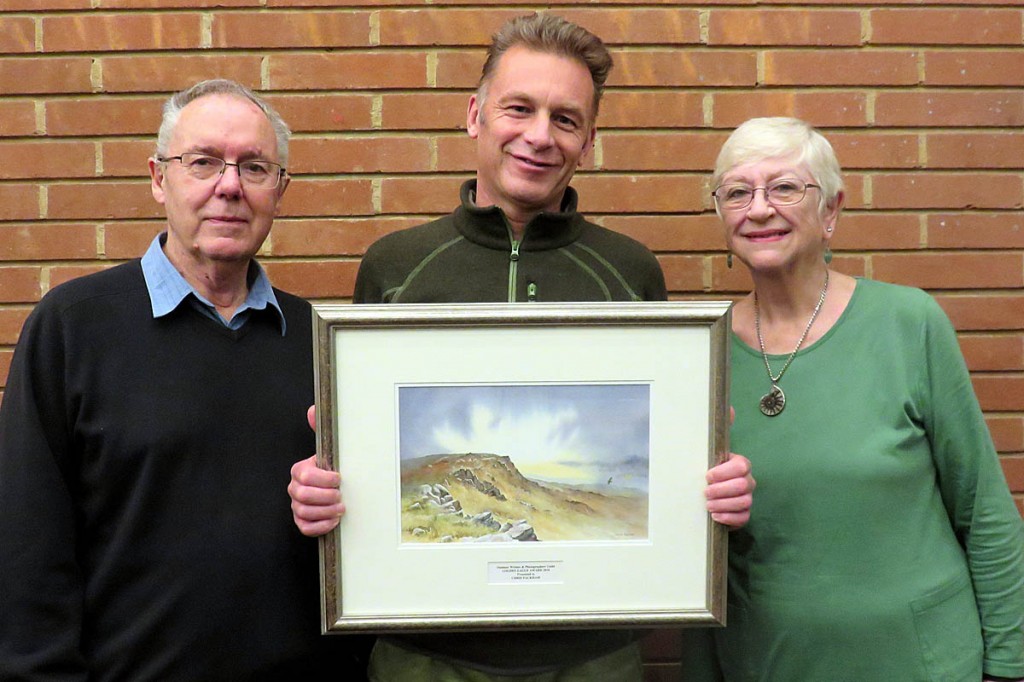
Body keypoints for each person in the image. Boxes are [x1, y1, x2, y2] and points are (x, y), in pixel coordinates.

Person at [289, 13, 755, 681]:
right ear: (475, 114)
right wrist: (329, 487)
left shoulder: (630, 272)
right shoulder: (396, 266)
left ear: (588, 141)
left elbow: (669, 467)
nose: (539, 135)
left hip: (592, 658)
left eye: (566, 119)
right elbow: (366, 448)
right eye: (519, 108)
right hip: (426, 655)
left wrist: (709, 487)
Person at [0, 79, 368, 680]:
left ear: (280, 190)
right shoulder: (72, 328)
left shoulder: (320, 343)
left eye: (254, 167)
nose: (229, 186)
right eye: (202, 162)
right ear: (157, 178)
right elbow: (26, 549)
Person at [677, 116, 1024, 681]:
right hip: (766, 664)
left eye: (785, 187)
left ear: (831, 212)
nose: (759, 208)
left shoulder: (908, 324)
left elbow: (984, 512)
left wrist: (1009, 667)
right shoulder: (701, 354)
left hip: (921, 664)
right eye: (737, 192)